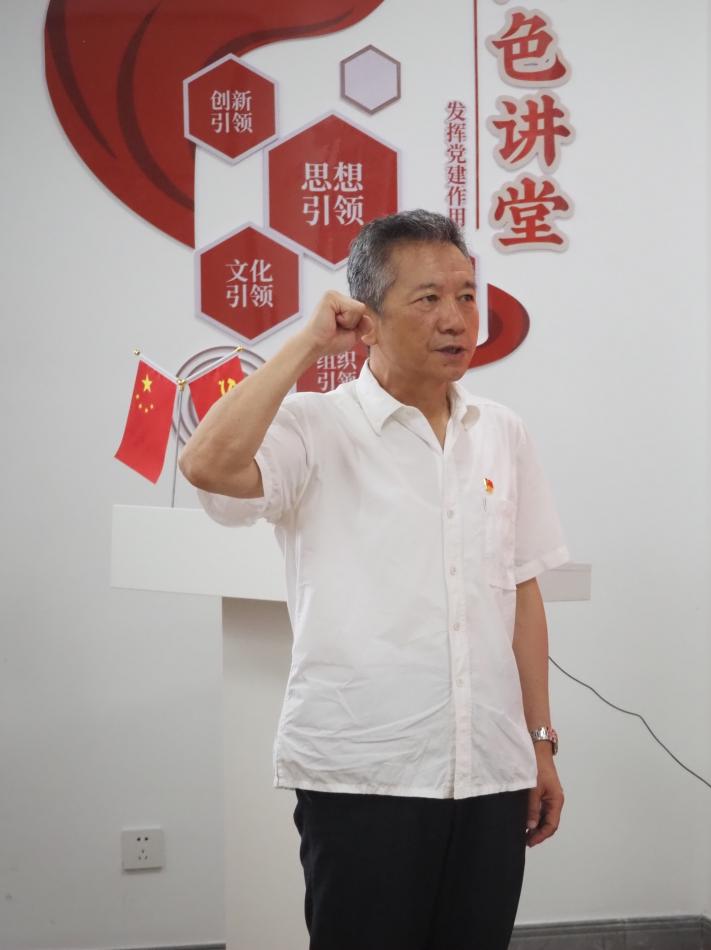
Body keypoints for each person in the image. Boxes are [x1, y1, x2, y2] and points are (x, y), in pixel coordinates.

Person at [180, 209, 567, 949]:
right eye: (429, 298)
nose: (456, 318)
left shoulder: (501, 432)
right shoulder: (313, 427)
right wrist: (306, 344)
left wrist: (539, 744)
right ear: (368, 318)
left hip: (489, 771)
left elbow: (521, 592)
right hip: (364, 776)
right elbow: (206, 465)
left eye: (466, 295)